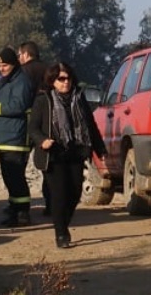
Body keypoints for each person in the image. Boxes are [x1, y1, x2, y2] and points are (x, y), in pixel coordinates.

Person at [28, 61, 106, 249]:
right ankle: (61, 233)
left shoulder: (79, 99)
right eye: (61, 79)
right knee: (59, 195)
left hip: (76, 151)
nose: (66, 82)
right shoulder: (43, 100)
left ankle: (63, 222)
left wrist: (100, 149)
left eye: (68, 78)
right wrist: (42, 141)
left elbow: (91, 125)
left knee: (75, 192)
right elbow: (33, 127)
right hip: (53, 154)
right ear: (53, 81)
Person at [0, 47, 35, 227]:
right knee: (9, 177)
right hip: (4, 137)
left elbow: (17, 106)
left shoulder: (22, 81)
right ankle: (14, 209)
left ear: (14, 64)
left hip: (16, 138)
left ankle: (22, 213)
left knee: (16, 177)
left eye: (5, 65)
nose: (2, 69)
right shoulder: (5, 81)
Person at [18, 40, 53, 216]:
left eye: (19, 55)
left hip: (27, 124)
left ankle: (21, 208)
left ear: (25, 54)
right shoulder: (48, 70)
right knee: (47, 166)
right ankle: (51, 204)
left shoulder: (23, 72)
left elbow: (21, 98)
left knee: (20, 165)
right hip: (47, 123)